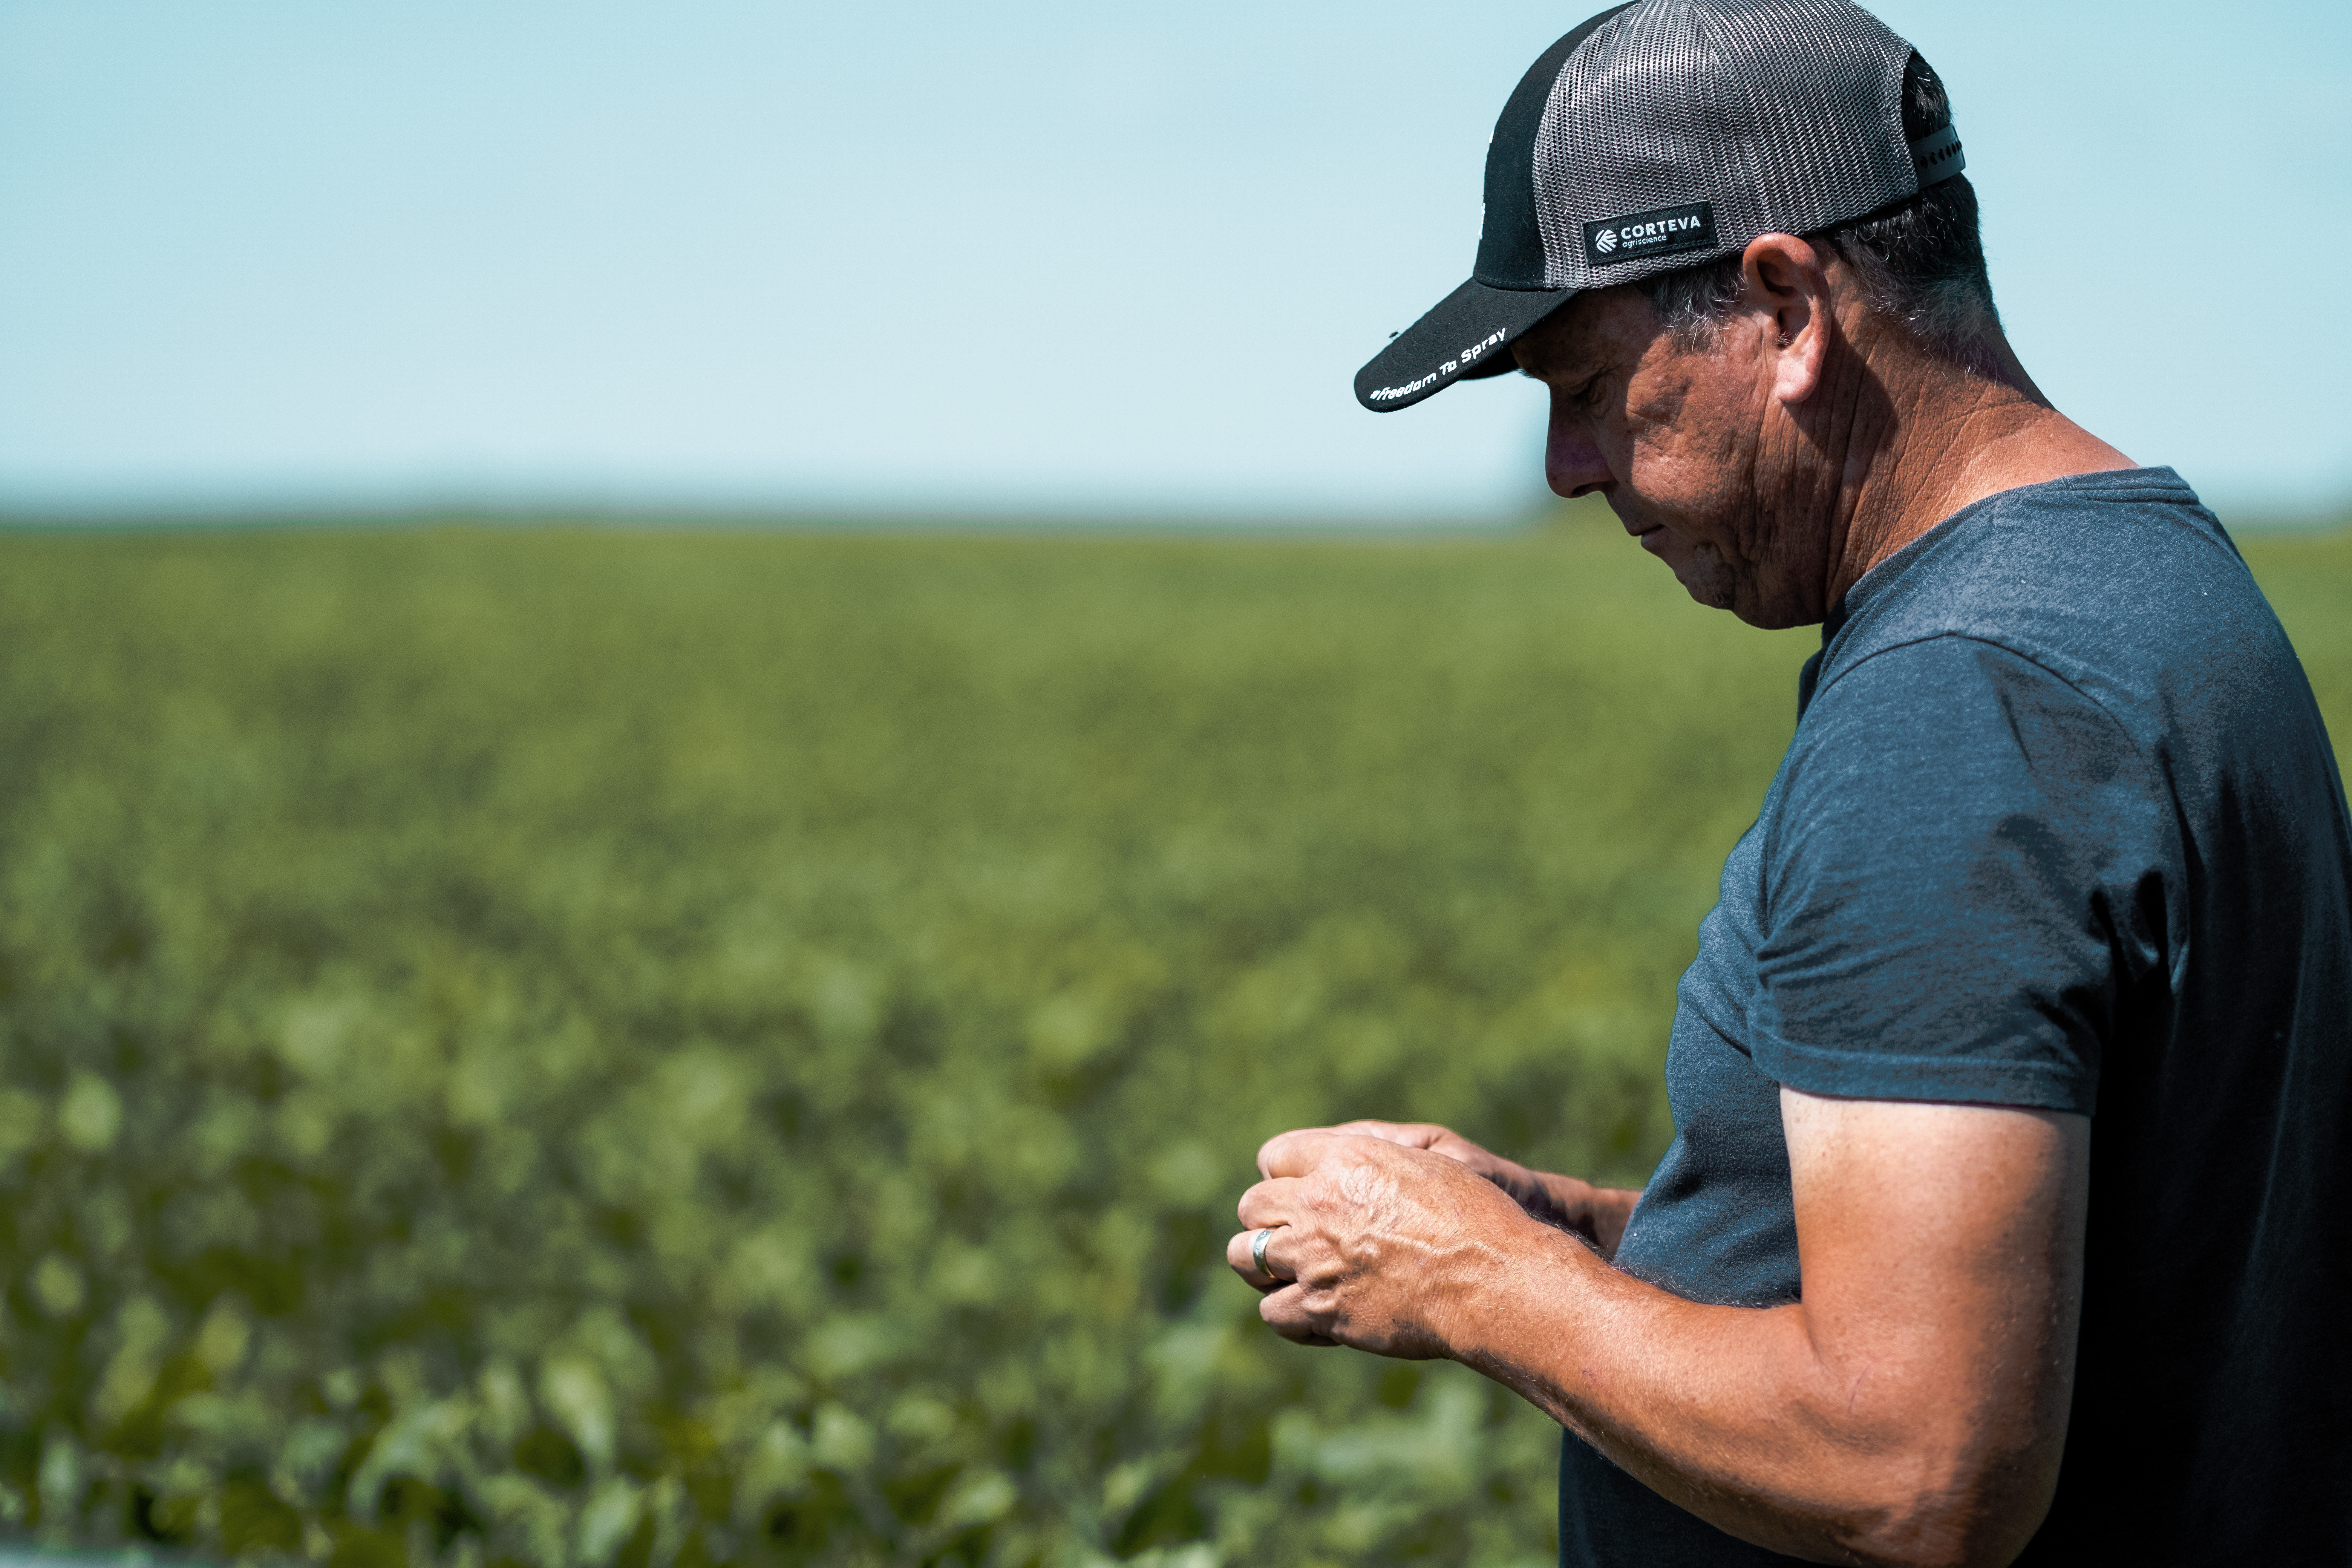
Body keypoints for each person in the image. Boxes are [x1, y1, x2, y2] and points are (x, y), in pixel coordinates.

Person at [1226, 2, 2352, 1563]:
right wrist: (1571, 1230)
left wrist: (1472, 1280)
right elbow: (2040, 1252)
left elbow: (1919, 1459)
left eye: (1585, 381)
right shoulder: (2149, 582)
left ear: (1786, 305)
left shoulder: (1957, 710)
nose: (1565, 467)